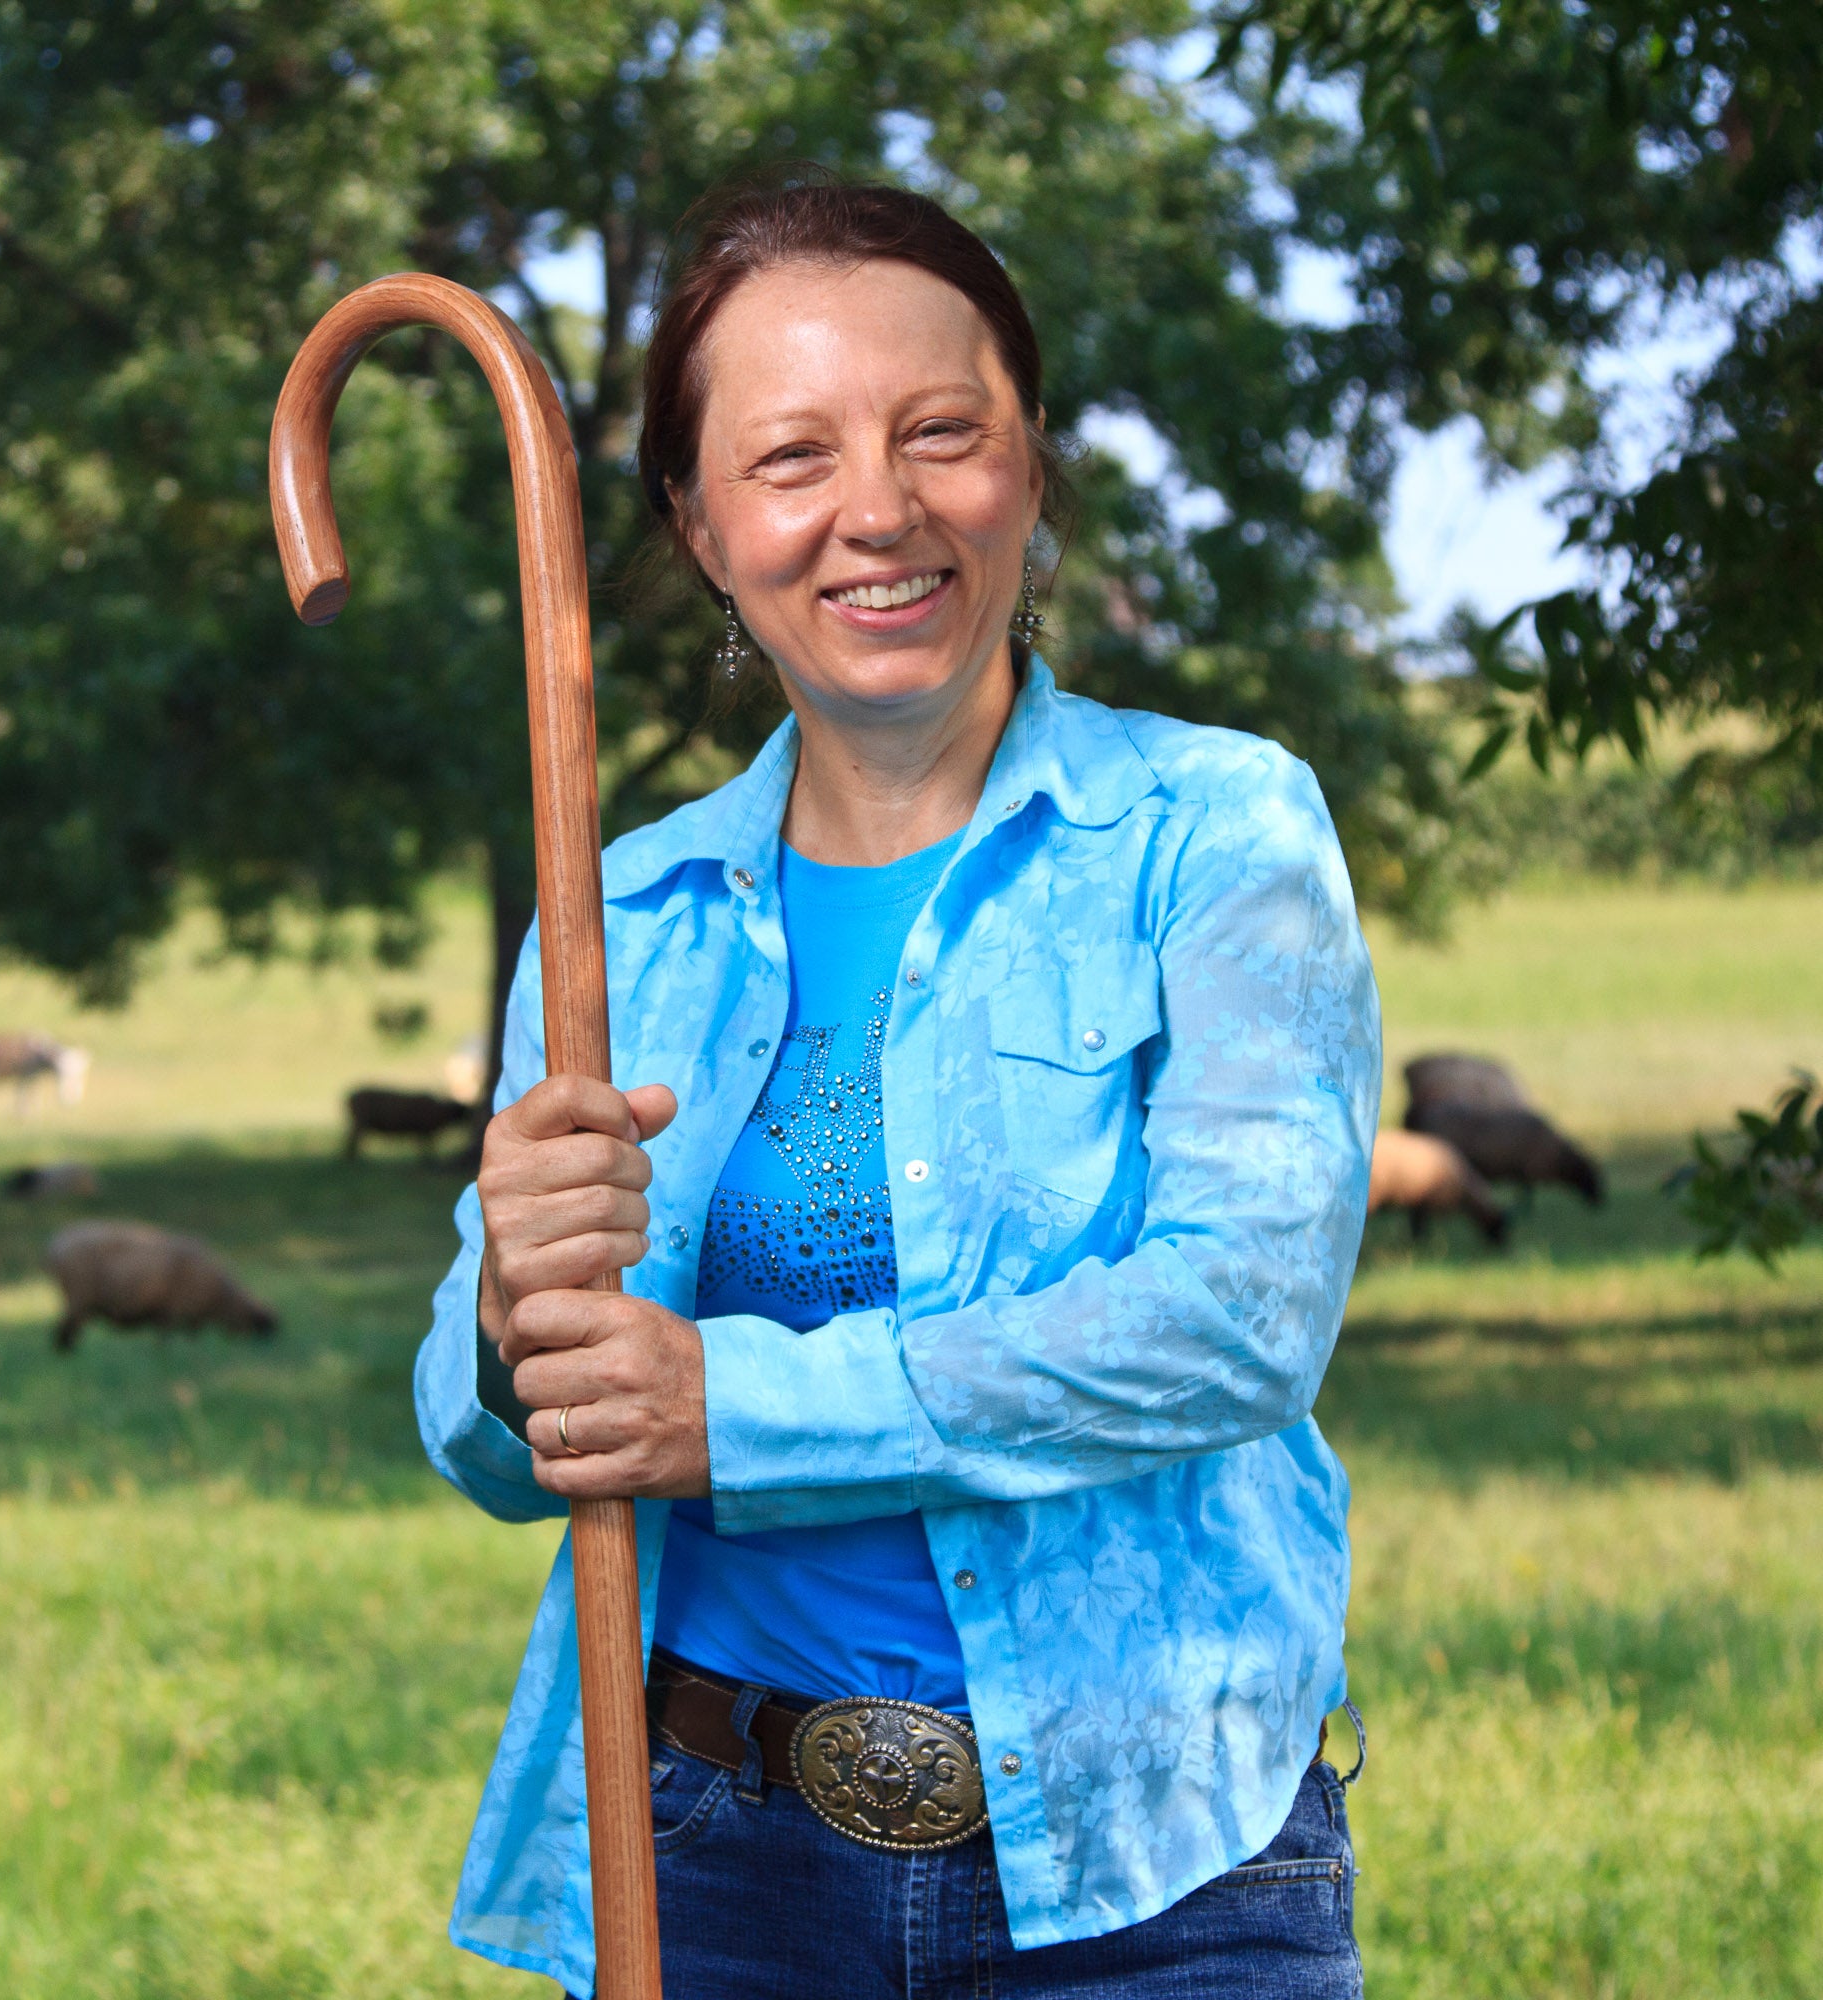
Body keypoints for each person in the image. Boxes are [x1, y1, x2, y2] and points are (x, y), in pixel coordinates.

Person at [415, 169, 1379, 1999]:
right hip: (703, 1865)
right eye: (791, 461)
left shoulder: (1217, 832)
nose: (880, 511)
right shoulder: (611, 915)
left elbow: (1240, 1320)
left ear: (1028, 470)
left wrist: (734, 1406)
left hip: (1156, 1873)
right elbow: (488, 1445)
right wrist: (509, 1321)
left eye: (944, 433)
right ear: (702, 526)